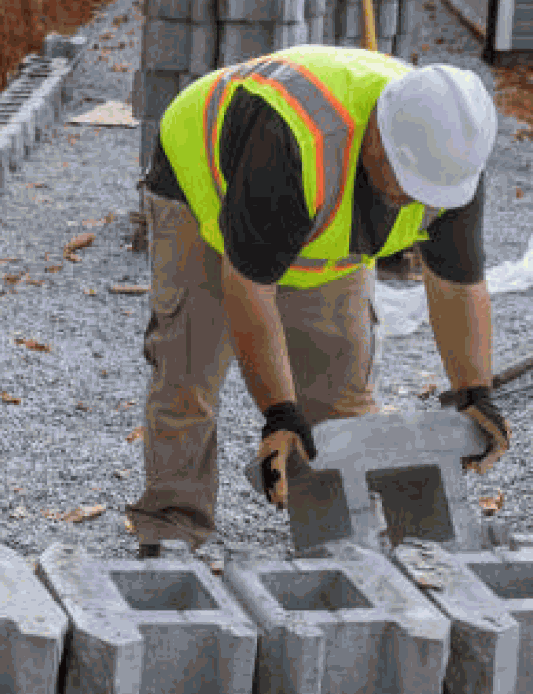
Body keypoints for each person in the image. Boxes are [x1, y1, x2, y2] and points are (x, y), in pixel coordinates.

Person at [126, 44, 512, 558]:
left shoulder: (450, 161)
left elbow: (457, 284)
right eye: (402, 181)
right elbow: (249, 289)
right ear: (377, 130)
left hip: (319, 223)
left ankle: (335, 540)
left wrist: (474, 392)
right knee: (190, 368)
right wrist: (279, 413)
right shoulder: (296, 138)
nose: (412, 200)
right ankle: (171, 528)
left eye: (426, 192)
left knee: (339, 389)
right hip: (201, 183)